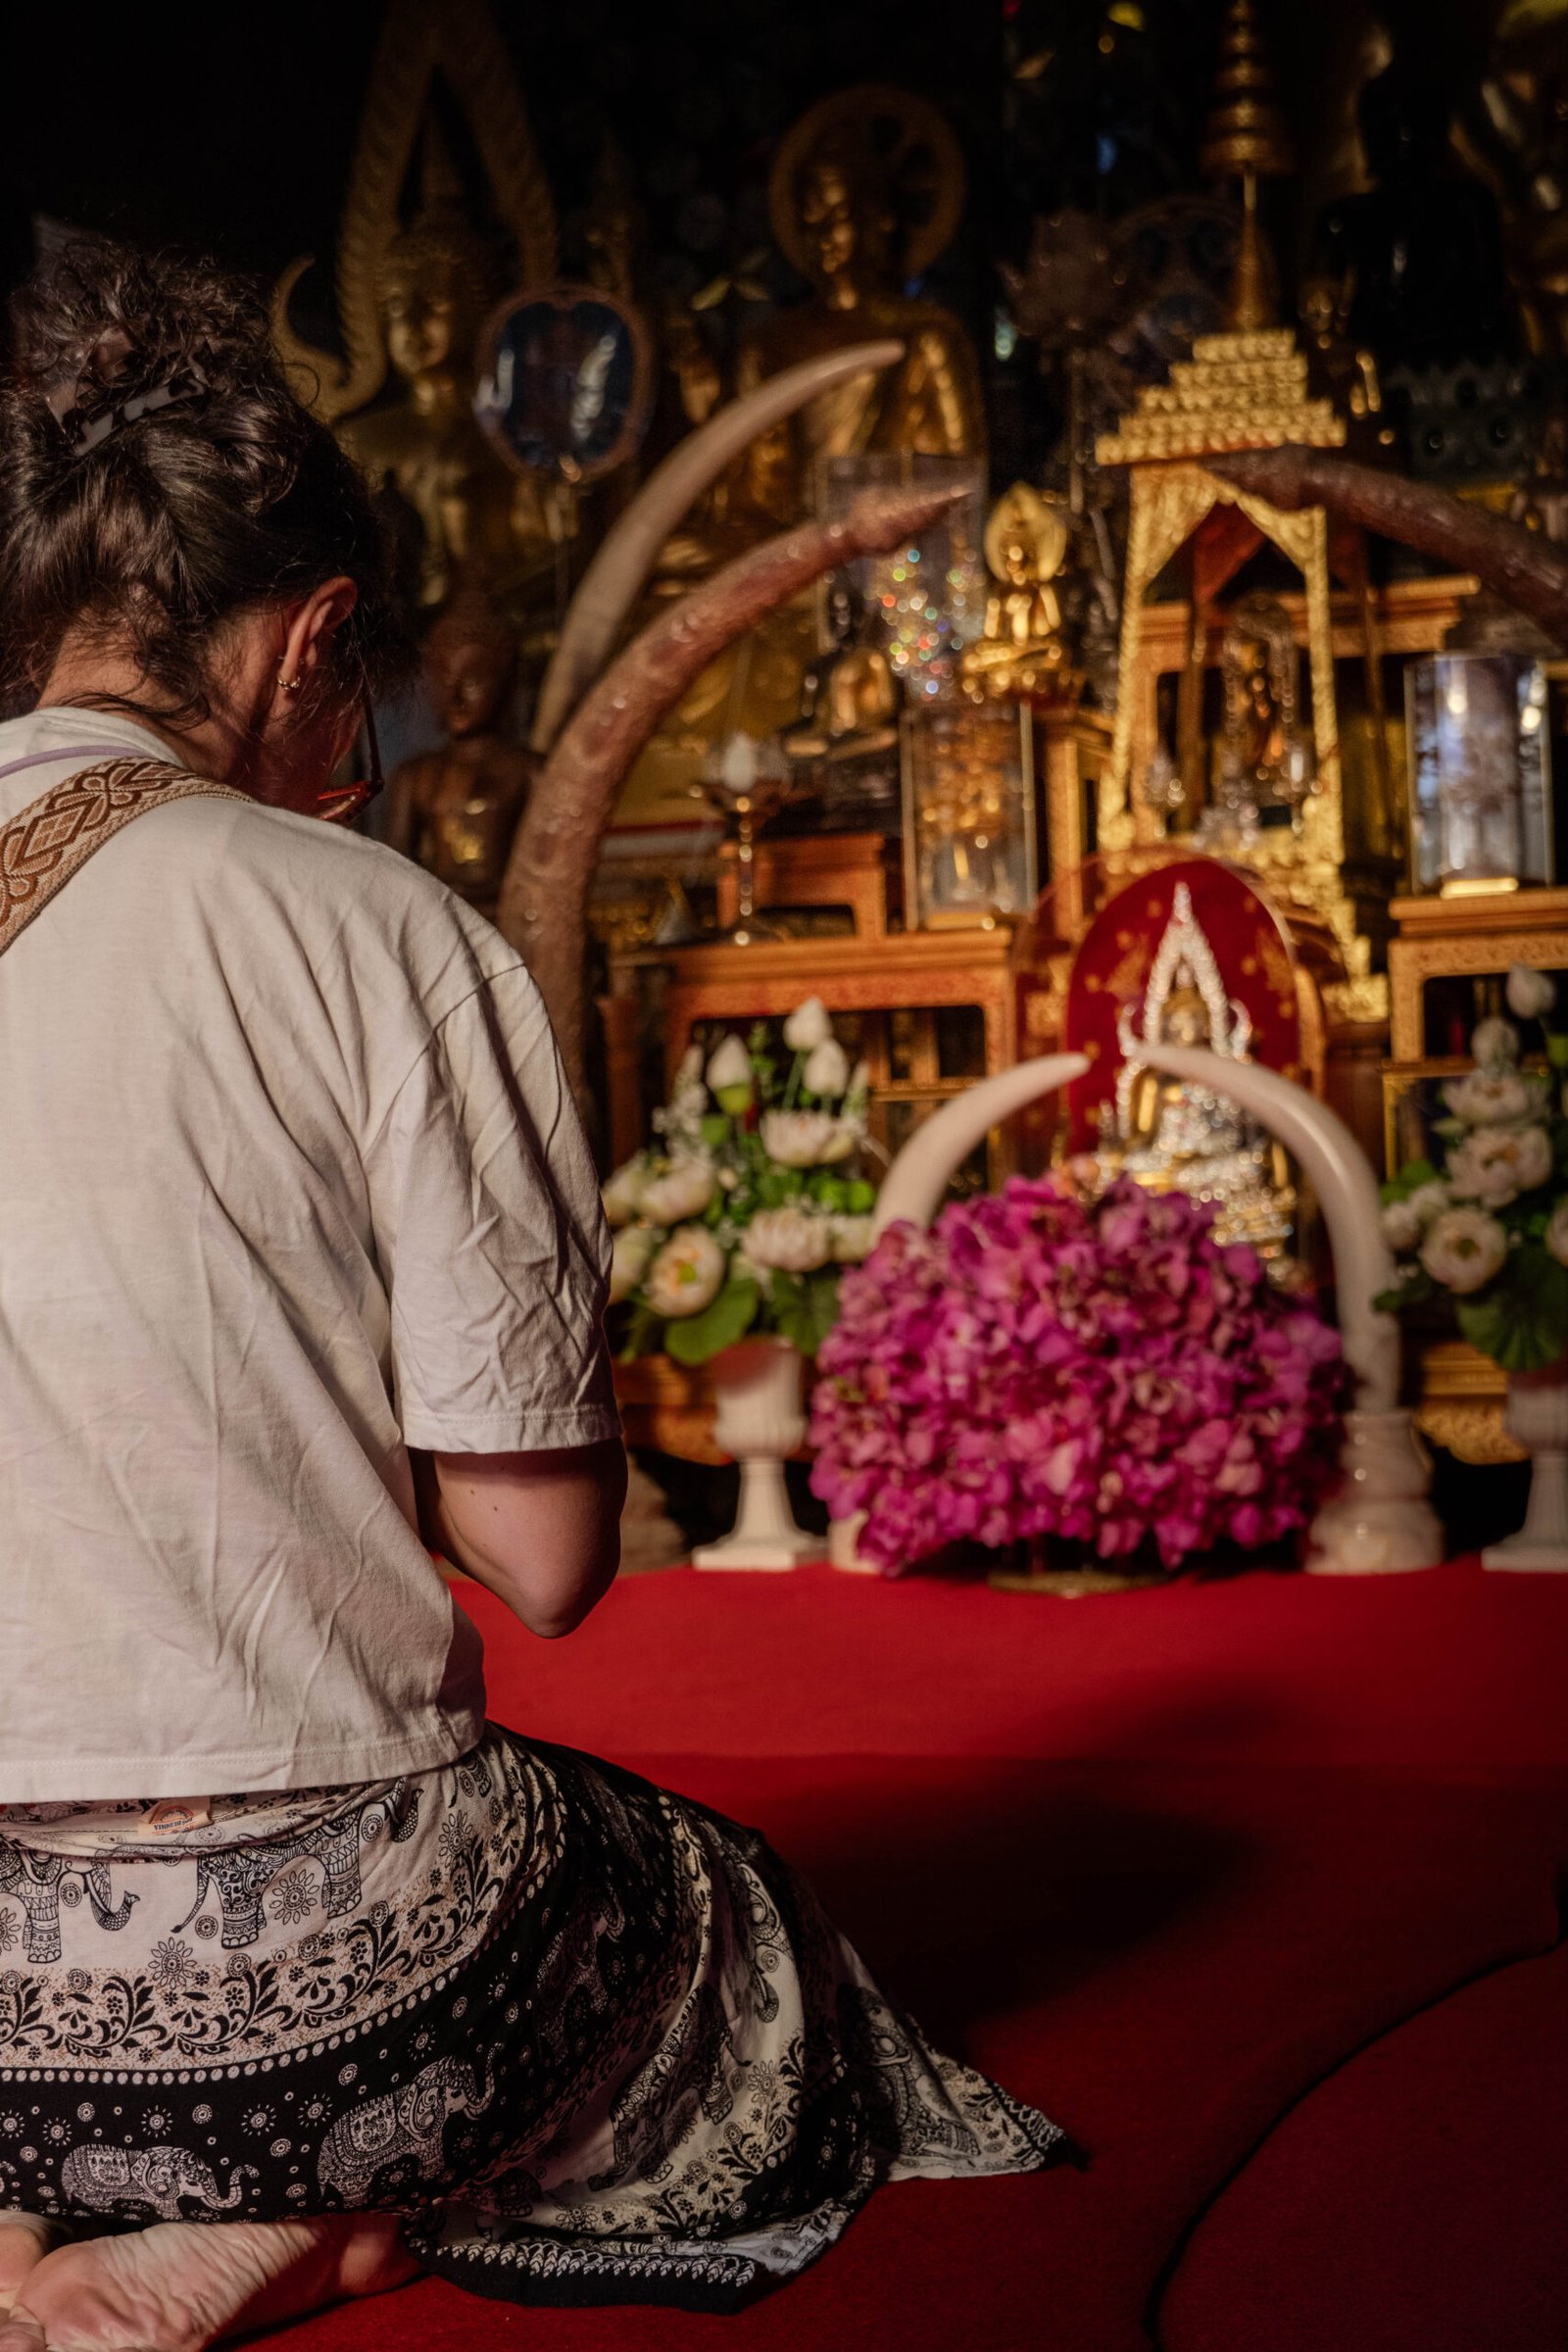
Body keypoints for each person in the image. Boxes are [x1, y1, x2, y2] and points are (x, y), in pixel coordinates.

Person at [0, 244, 1063, 2352]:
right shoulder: (370, 922)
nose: (364, 756)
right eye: (363, 705)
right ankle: (321, 2209)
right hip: (309, 2004)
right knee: (718, 1915)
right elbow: (546, 1560)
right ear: (317, 644)